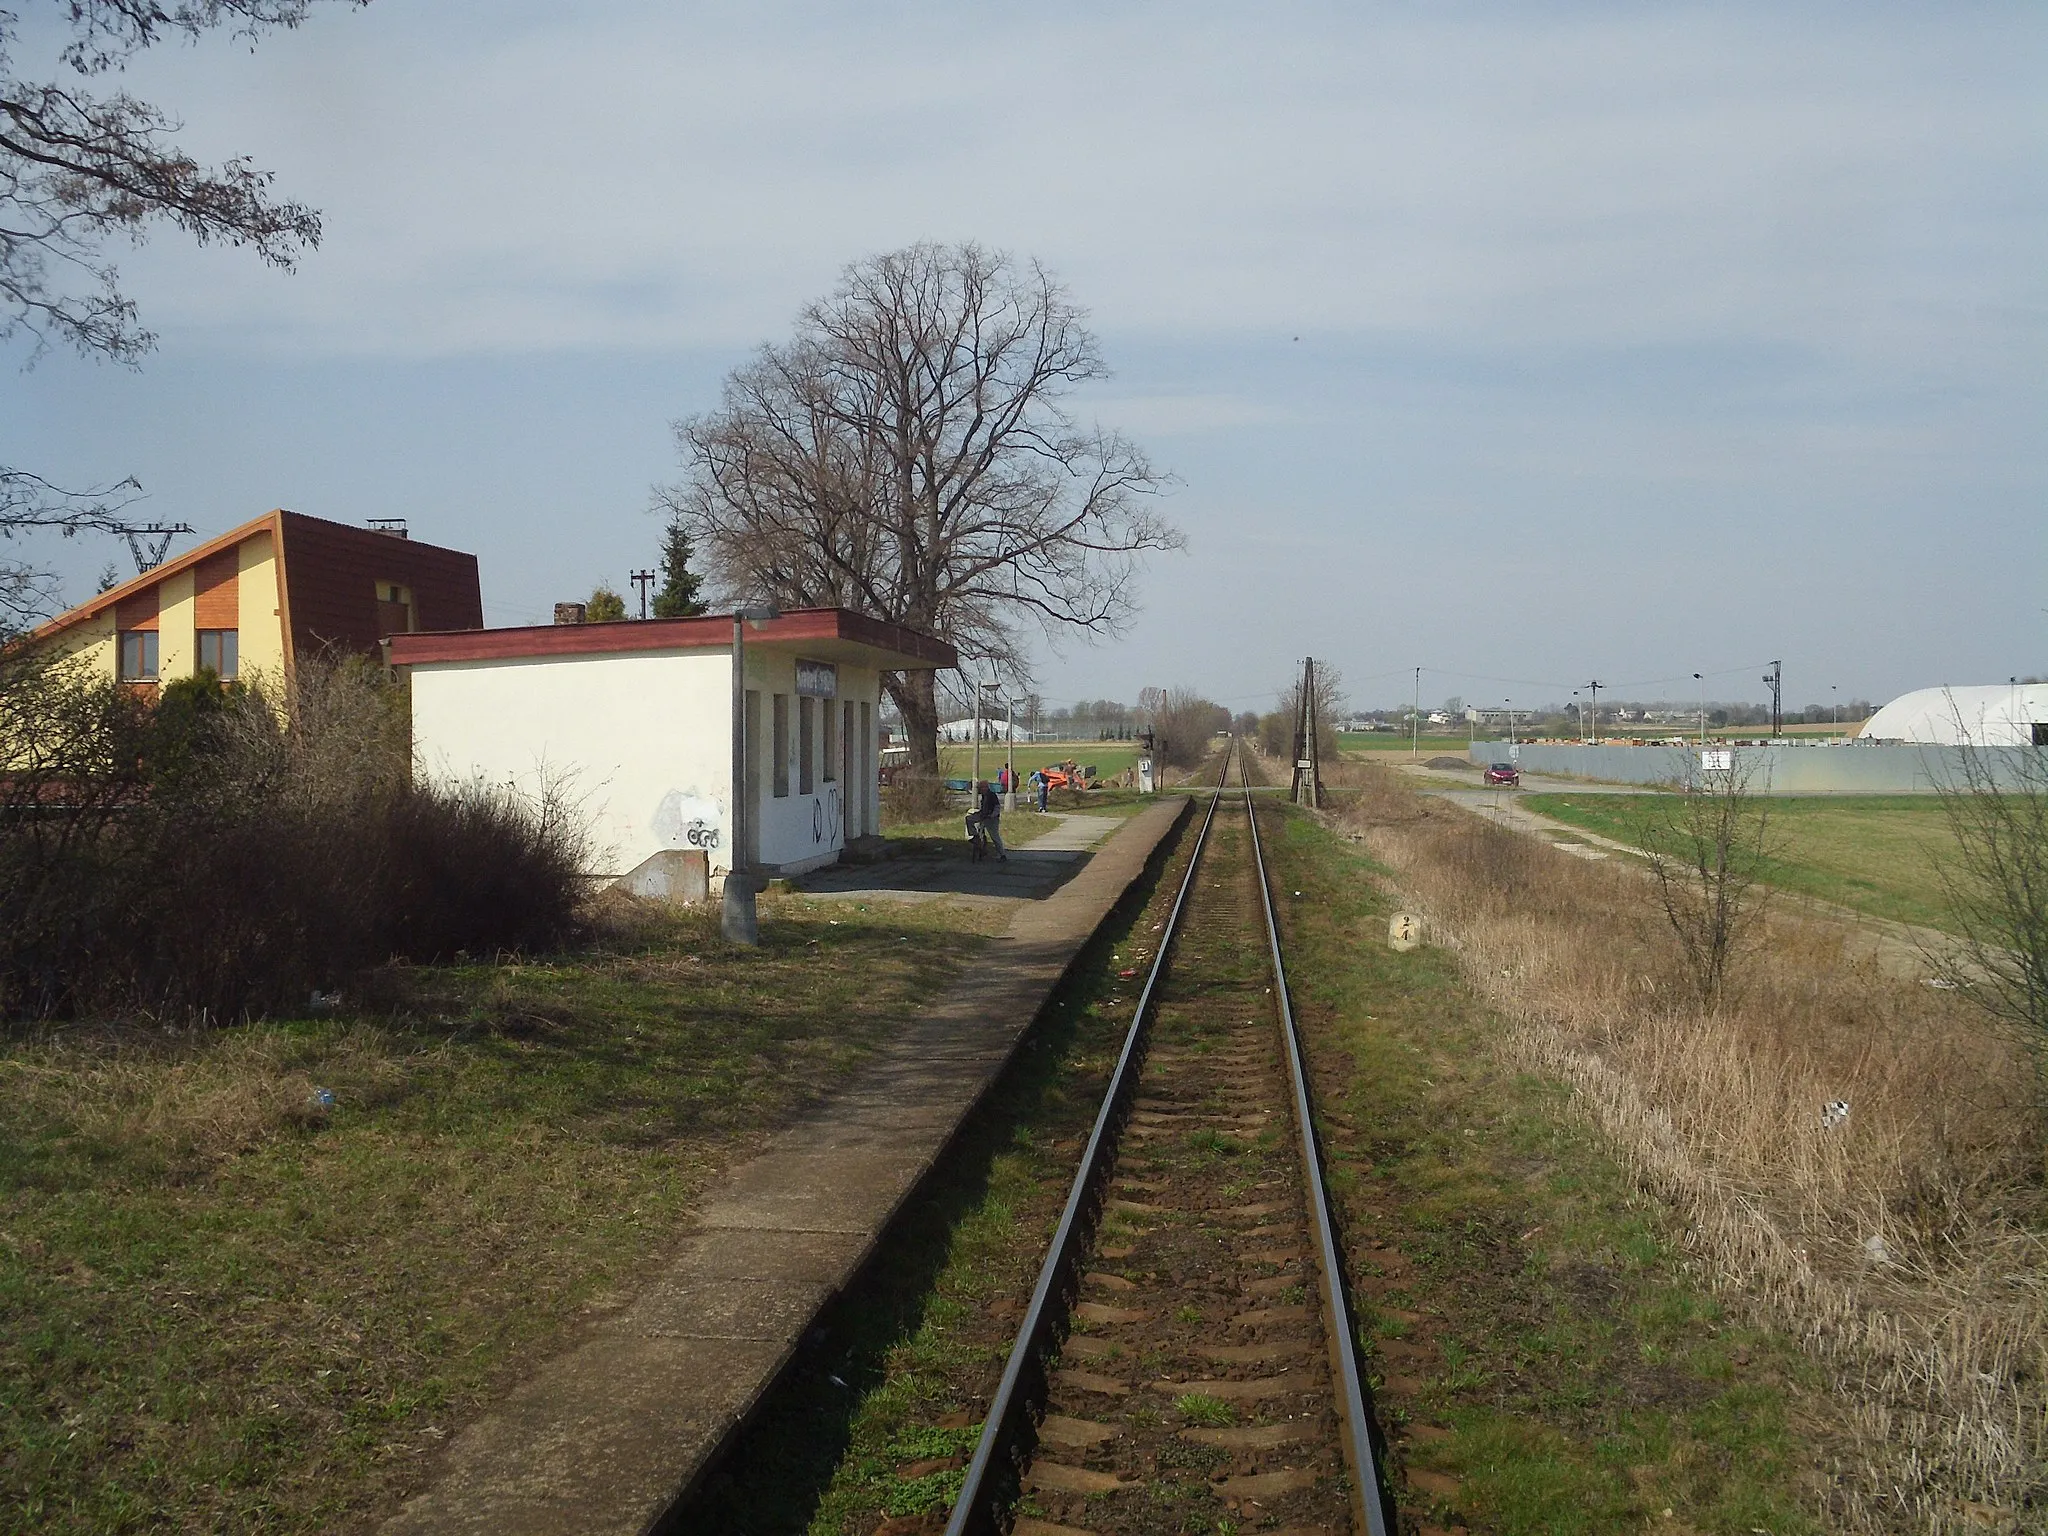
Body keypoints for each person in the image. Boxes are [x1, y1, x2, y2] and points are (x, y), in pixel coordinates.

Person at [965, 778, 1006, 860]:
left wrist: (992, 815)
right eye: (981, 788)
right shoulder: (984, 796)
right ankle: (975, 836)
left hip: (992, 819)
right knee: (969, 819)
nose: (981, 789)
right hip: (983, 816)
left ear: (987, 787)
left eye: (983, 787)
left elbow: (997, 807)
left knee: (994, 836)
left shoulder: (992, 795)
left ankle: (1002, 854)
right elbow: (984, 808)